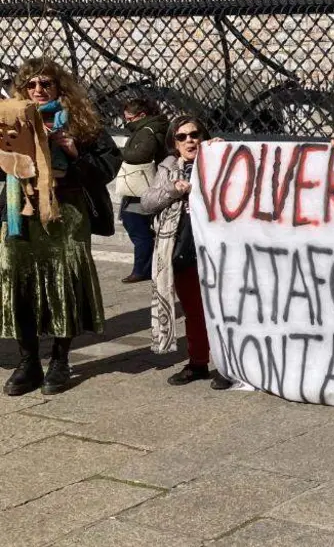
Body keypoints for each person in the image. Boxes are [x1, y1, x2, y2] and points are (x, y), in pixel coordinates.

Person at [2, 58, 121, 397]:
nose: (39, 90)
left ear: (59, 88)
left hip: (66, 212)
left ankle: (59, 360)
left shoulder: (79, 124)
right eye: (32, 85)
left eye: (46, 84)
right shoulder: (10, 119)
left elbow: (108, 165)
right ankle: (28, 363)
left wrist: (71, 150)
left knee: (63, 281)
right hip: (18, 214)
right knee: (16, 279)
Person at [138, 116, 232, 388]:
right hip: (182, 248)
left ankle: (228, 366)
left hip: (216, 250)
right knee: (193, 310)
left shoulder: (218, 159)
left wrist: (222, 153)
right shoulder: (168, 167)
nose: (190, 140)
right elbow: (147, 202)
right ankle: (198, 363)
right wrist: (172, 190)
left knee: (221, 310)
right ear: (174, 143)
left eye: (195, 134)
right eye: (182, 137)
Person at [117, 98, 169, 284]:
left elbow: (142, 155)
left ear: (142, 116)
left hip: (141, 187)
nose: (127, 123)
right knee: (138, 226)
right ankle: (146, 266)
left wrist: (120, 154)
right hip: (141, 186)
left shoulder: (147, 131)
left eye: (129, 119)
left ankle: (142, 269)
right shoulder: (151, 128)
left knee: (137, 228)